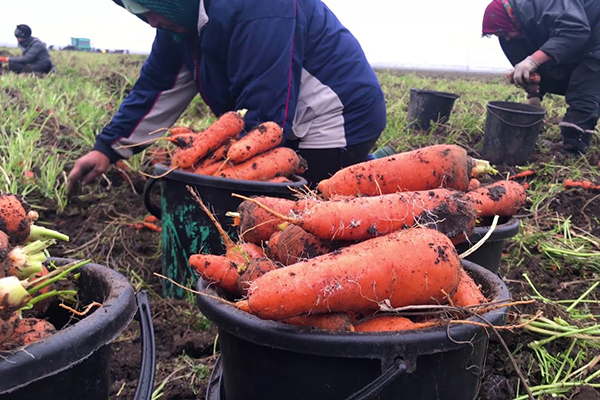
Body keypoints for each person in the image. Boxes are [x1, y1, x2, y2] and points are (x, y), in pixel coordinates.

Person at [66, 0, 387, 192]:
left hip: (336, 115)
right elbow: (156, 87)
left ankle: (374, 173)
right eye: (138, 10)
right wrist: (107, 149)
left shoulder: (260, 8)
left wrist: (227, 175)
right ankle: (373, 167)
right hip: (285, 112)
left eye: (151, 6)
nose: (149, 20)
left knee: (310, 205)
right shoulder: (179, 24)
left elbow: (267, 112)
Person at [482, 0, 600, 154]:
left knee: (584, 85)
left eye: (504, 32)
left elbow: (575, 30)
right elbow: (538, 64)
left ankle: (573, 148)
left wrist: (533, 60)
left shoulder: (541, 6)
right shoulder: (518, 31)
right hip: (583, 41)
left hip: (594, 32)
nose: (507, 38)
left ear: (510, 17)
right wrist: (534, 97)